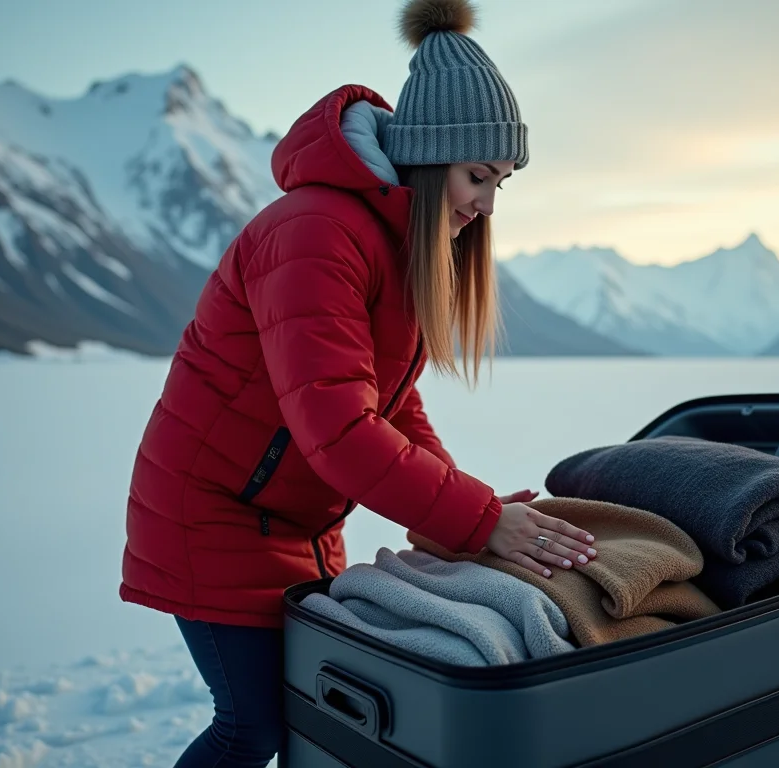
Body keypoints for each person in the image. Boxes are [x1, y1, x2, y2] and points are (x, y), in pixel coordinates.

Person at [119, 0, 598, 765]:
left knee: (308, 720)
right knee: (253, 727)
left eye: (502, 182)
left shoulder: (389, 239)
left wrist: (458, 509)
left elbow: (392, 402)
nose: (486, 204)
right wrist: (477, 522)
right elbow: (338, 430)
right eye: (479, 175)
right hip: (213, 520)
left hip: (294, 524)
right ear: (430, 154)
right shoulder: (315, 233)